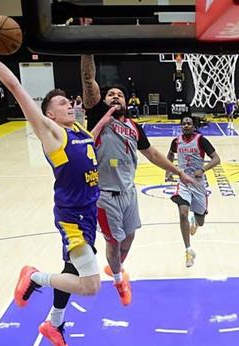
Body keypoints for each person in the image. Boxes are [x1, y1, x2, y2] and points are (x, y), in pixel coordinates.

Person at [0, 22, 116, 346]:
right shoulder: (52, 133)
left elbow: (89, 140)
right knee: (91, 286)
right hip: (73, 218)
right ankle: (34, 276)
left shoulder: (79, 130)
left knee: (70, 270)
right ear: (49, 114)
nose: (70, 104)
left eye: (69, 102)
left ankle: (54, 323)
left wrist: (106, 117)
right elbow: (15, 86)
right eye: (62, 103)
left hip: (87, 214)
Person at [81, 53, 197, 304]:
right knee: (114, 241)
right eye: (110, 94)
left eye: (119, 95)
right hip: (105, 194)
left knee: (129, 237)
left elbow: (152, 154)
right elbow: (88, 80)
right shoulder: (99, 115)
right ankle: (118, 280)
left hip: (129, 192)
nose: (115, 97)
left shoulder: (134, 127)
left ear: (127, 101)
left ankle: (115, 267)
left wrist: (179, 172)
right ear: (103, 99)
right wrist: (87, 49)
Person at [166, 117, 220, 267]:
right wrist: (168, 170)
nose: (186, 125)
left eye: (189, 123)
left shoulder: (201, 140)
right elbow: (170, 155)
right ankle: (188, 250)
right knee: (183, 212)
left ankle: (195, 221)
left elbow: (216, 159)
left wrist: (203, 169)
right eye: (183, 123)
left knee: (201, 221)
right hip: (183, 182)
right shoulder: (176, 141)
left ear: (193, 126)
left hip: (198, 183)